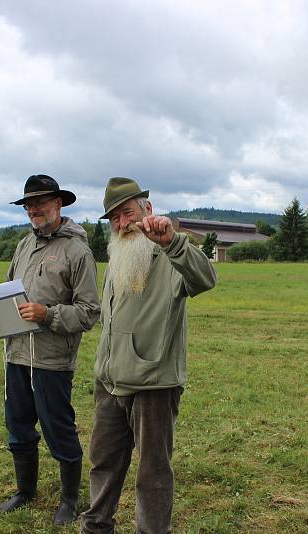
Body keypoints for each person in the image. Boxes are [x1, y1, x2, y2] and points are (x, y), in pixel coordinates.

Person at [80, 177, 217, 534]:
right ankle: (96, 526)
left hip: (154, 385)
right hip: (109, 382)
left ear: (147, 210)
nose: (122, 224)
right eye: (114, 219)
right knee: (103, 463)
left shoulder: (172, 255)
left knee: (153, 472)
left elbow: (206, 278)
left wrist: (172, 242)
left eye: (127, 213)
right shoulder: (120, 253)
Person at [0, 174, 99, 525]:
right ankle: (25, 491)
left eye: (41, 203)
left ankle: (69, 499)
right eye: (29, 205)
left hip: (51, 360)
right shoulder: (23, 245)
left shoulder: (77, 251)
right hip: (16, 354)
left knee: (58, 428)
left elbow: (90, 311)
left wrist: (48, 314)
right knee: (18, 426)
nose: (35, 210)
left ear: (58, 204)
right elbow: (9, 295)